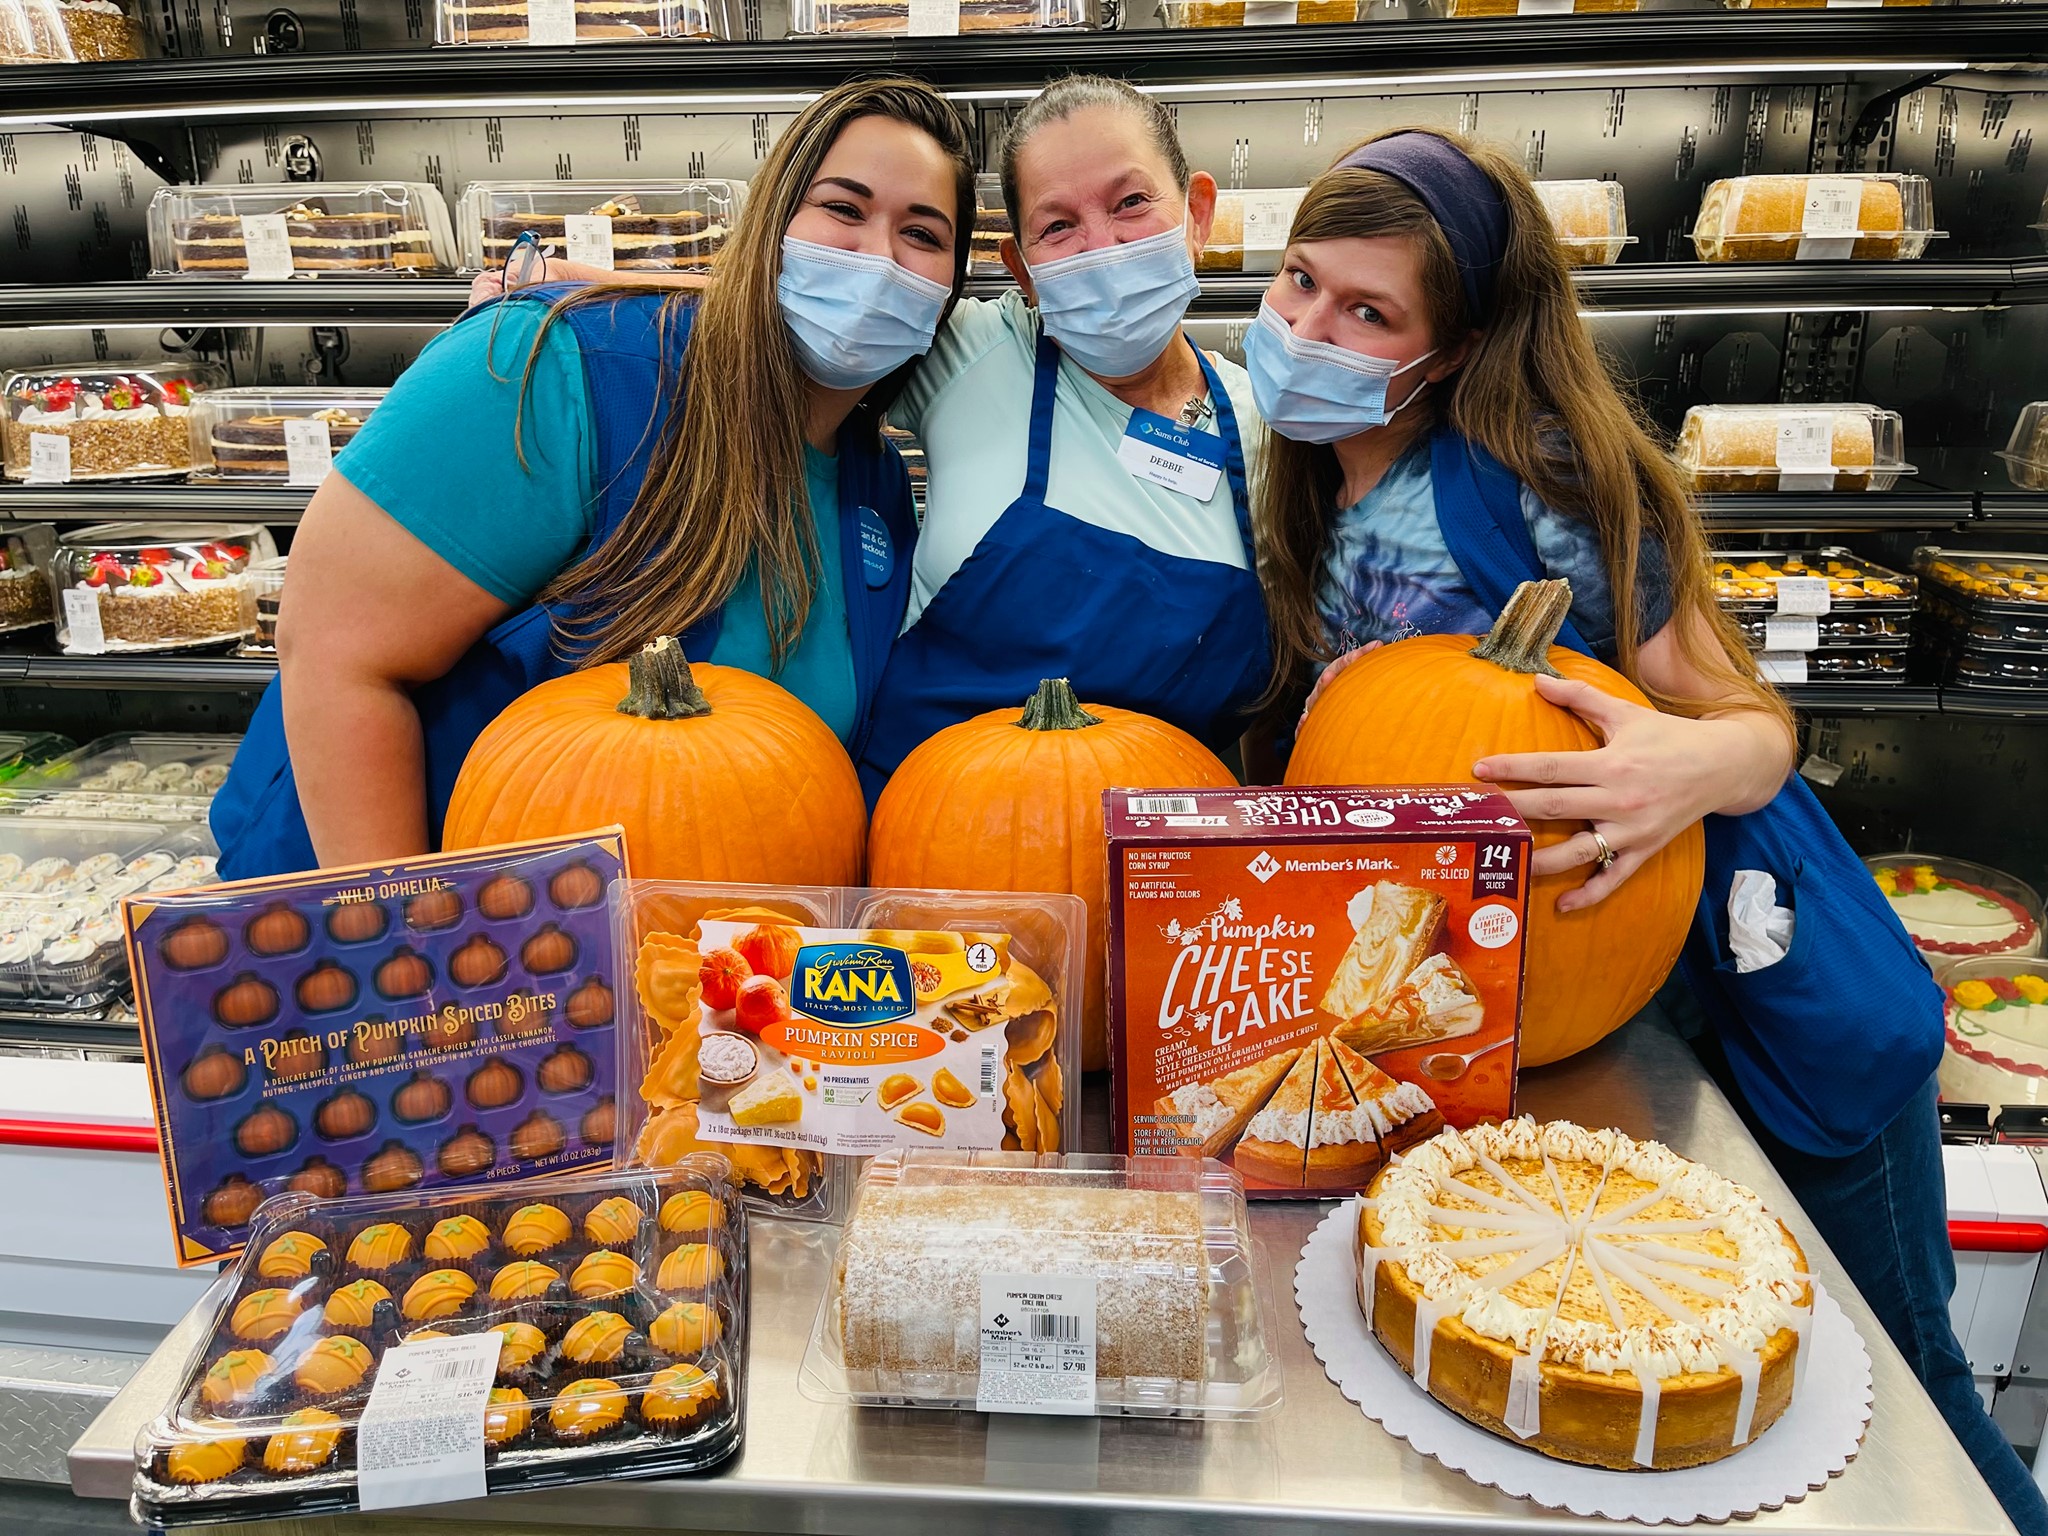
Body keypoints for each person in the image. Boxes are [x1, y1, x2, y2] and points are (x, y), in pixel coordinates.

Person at [1248, 125, 2048, 1536]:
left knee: (1905, 1389)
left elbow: (1749, 722)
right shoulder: (1315, 473)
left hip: (1759, 1012)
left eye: (1368, 312)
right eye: (1300, 283)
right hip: (1517, 1027)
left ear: (1458, 343)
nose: (1309, 331)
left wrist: (1693, 759)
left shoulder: (1534, 478)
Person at [210, 77, 978, 875]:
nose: (876, 259)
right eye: (843, 209)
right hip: (430, 924)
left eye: (921, 234)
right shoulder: (555, 368)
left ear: (950, 292)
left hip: (695, 946)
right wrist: (402, 924)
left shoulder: (876, 487)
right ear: (770, 224)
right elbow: (335, 654)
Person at [480, 74, 1273, 795]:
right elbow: (816, 292)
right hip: (923, 836)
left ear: (1198, 213)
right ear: (1021, 267)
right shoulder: (979, 350)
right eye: (1058, 225)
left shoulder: (1263, 431)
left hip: (1165, 868)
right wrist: (575, 285)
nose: (1101, 248)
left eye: (1131, 203)